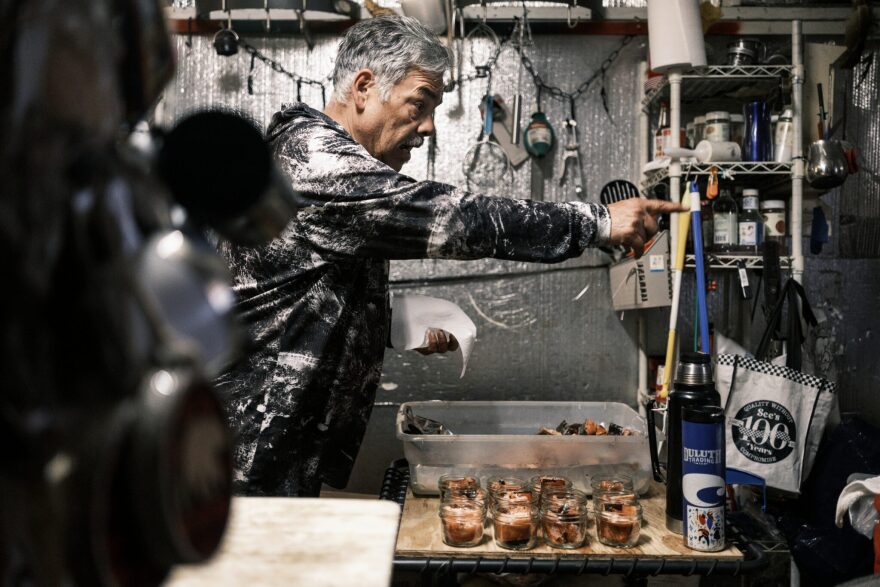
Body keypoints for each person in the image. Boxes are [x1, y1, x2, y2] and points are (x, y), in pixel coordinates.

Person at [215, 15, 686, 497]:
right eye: (419, 103)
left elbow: (292, 292)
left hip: (271, 441)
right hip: (246, 449)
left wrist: (385, 322)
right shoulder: (314, 160)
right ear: (363, 87)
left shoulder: (314, 159)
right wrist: (598, 222)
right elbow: (459, 219)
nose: (427, 128)